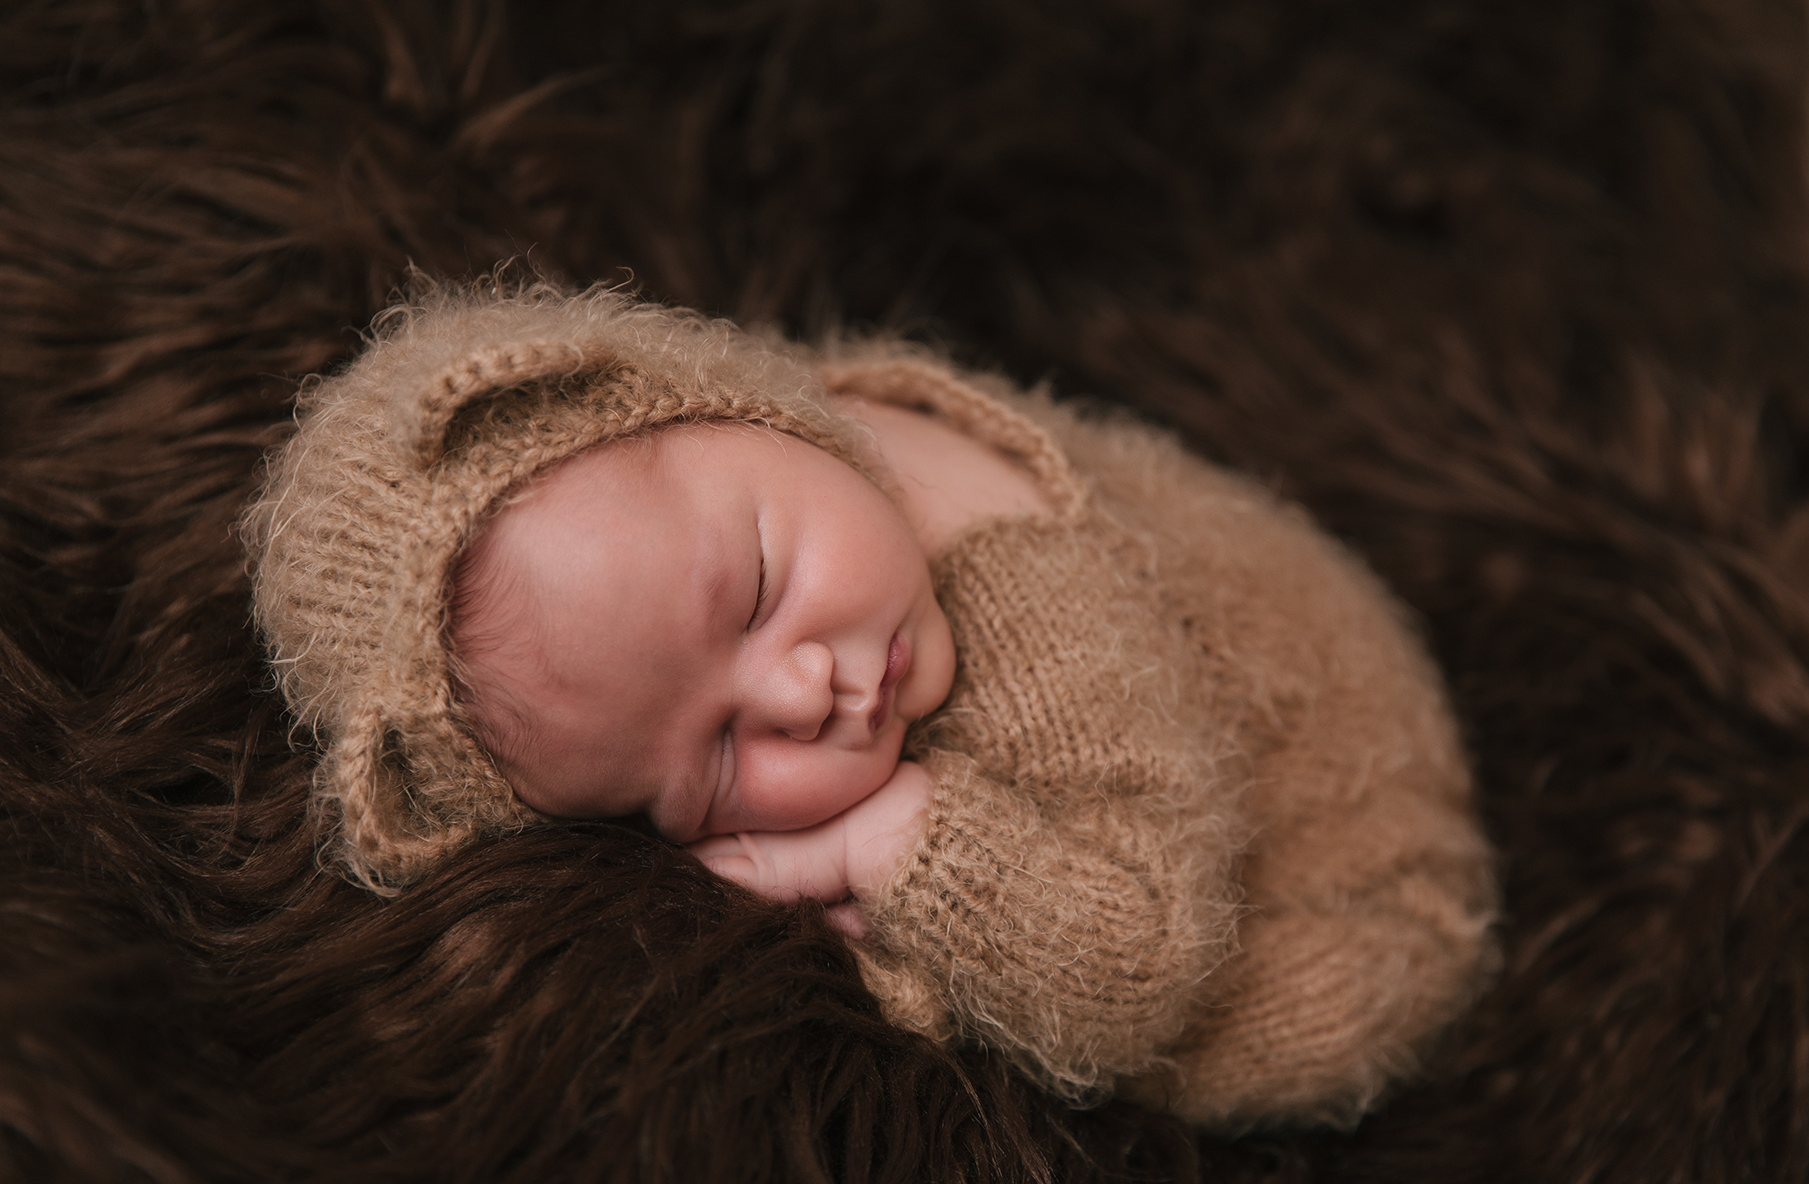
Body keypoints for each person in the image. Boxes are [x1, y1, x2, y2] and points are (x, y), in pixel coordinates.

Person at [243, 281, 1498, 1129]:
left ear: (734, 401)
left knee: (1210, 1037)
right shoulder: (777, 475)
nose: (805, 693)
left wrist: (892, 844)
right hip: (1193, 771)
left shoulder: (1023, 599)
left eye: (756, 591)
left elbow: (1141, 962)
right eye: (711, 767)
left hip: (1364, 860)